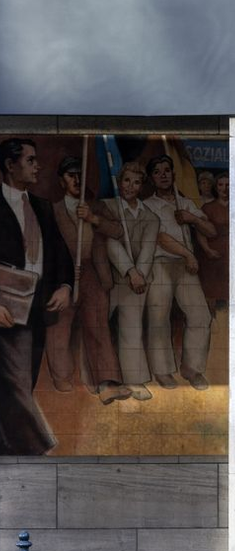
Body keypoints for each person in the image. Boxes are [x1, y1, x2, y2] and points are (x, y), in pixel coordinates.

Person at [0, 139, 73, 454]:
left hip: (39, 308)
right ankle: (39, 449)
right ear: (9, 165)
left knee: (22, 382)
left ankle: (7, 447)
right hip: (5, 309)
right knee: (17, 383)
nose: (37, 166)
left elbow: (60, 253)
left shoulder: (42, 206)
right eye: (30, 160)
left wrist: (65, 286)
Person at [46, 156, 130, 403]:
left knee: (98, 328)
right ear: (62, 181)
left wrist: (93, 219)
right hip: (64, 278)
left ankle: (108, 383)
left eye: (80, 175)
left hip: (94, 275)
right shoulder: (52, 210)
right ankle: (61, 379)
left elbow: (118, 231)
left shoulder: (97, 207)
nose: (77, 180)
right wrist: (62, 273)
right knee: (59, 329)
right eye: (71, 175)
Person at [143, 154, 216, 390]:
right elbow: (161, 238)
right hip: (160, 264)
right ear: (151, 179)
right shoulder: (148, 205)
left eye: (167, 170)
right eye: (157, 172)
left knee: (201, 316)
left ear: (174, 174)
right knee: (159, 317)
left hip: (185, 266)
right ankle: (162, 371)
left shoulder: (184, 202)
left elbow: (211, 230)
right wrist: (188, 255)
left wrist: (192, 218)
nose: (163, 175)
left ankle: (192, 369)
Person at [95, 162, 161, 403]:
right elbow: (111, 243)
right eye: (126, 180)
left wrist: (139, 275)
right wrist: (130, 271)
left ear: (142, 186)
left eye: (136, 182)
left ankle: (134, 380)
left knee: (132, 329)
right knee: (97, 327)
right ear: (119, 181)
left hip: (137, 283)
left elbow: (148, 250)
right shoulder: (107, 207)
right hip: (108, 278)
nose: (130, 186)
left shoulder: (151, 217)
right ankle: (98, 379)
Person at [197, 171, 229, 313]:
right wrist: (207, 249)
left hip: (232, 256)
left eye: (228, 185)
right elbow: (200, 231)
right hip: (214, 255)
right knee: (212, 294)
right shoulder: (208, 208)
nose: (224, 188)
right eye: (221, 185)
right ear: (216, 187)